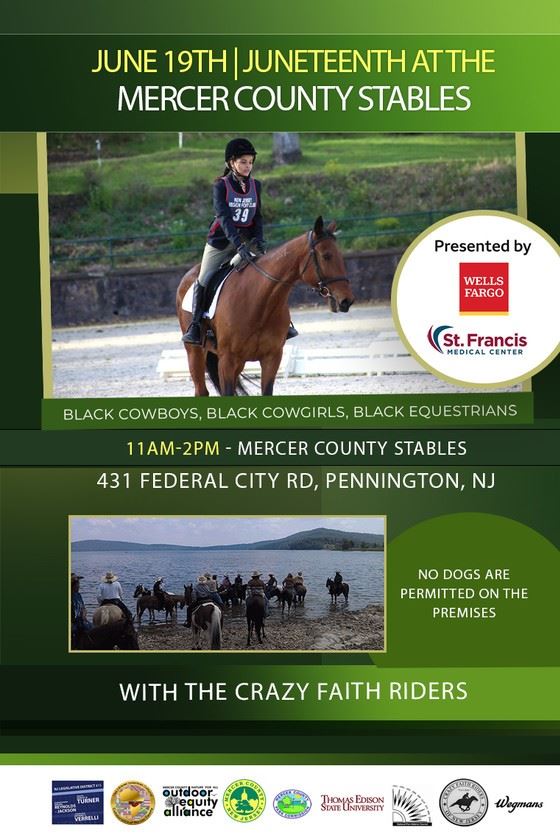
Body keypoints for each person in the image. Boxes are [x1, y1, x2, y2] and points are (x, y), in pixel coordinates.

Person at [182, 137, 298, 345]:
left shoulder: (255, 185)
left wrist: (259, 240)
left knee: (271, 274)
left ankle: (283, 321)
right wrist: (238, 245)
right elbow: (224, 218)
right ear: (231, 163)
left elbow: (257, 216)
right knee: (204, 278)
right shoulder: (221, 185)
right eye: (243, 162)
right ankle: (197, 325)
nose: (248, 166)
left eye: (250, 162)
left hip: (248, 241)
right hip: (221, 242)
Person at [71, 573, 92, 645]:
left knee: (94, 629)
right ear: (73, 585)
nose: (79, 586)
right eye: (78, 584)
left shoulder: (78, 595)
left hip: (81, 621)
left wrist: (84, 613)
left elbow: (83, 607)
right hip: (73, 623)